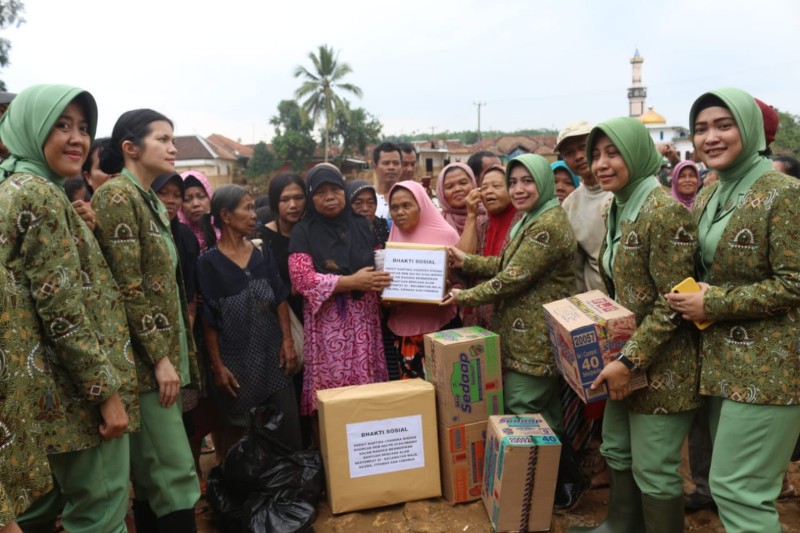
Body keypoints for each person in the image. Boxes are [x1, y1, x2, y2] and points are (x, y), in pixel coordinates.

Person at [0, 84, 135, 533]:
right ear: (30, 127)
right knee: (101, 513)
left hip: (38, 395)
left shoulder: (15, 186)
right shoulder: (40, 195)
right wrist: (107, 397)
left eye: (83, 127)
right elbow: (64, 312)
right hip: (75, 397)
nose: (77, 138)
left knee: (34, 510)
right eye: (61, 126)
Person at [665, 88, 800, 533]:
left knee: (741, 490)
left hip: (770, 369)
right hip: (721, 363)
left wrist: (714, 301)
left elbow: (794, 283)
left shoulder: (784, 193)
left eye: (724, 125)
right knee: (728, 487)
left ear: (751, 128)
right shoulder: (709, 193)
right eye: (701, 128)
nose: (711, 137)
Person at [570, 117, 701, 533]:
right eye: (596, 155)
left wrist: (630, 360)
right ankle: (620, 524)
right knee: (619, 449)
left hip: (662, 365)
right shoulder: (619, 205)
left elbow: (672, 304)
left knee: (656, 468)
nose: (601, 163)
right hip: (624, 359)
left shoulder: (662, 212)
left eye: (613, 153)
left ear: (638, 153)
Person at [444, 155, 585, 511]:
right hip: (526, 334)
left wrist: (466, 294)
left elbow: (513, 278)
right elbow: (508, 264)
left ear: (543, 181)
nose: (518, 189)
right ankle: (563, 479)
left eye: (527, 181)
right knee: (545, 410)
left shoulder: (547, 223)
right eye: (514, 182)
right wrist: (468, 261)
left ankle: (548, 484)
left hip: (533, 339)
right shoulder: (532, 217)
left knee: (524, 407)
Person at [93, 108, 200, 531]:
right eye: (162, 139)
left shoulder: (149, 198)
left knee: (161, 477)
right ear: (130, 147)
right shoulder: (118, 195)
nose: (173, 148)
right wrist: (158, 359)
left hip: (160, 358)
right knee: (172, 475)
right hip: (142, 367)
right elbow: (126, 286)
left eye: (173, 139)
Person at [196, 185, 302, 456]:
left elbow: (279, 298)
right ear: (226, 216)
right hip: (237, 362)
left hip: (273, 356)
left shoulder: (261, 252)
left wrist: (288, 341)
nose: (254, 215)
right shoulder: (207, 263)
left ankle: (286, 490)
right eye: (247, 208)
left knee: (285, 427)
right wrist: (218, 366)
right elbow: (209, 320)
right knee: (241, 435)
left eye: (254, 207)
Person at [288, 163, 391, 428]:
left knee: (366, 391)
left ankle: (368, 446)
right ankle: (333, 449)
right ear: (311, 197)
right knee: (335, 395)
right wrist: (350, 281)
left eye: (335, 189)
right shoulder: (304, 230)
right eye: (321, 192)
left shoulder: (362, 225)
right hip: (329, 327)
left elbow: (381, 263)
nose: (330, 196)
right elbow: (301, 279)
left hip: (365, 322)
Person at [256, 172, 311, 446]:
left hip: (315, 318)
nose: (293, 205)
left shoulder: (314, 230)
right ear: (274, 203)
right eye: (285, 199)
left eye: (299, 197)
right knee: (291, 391)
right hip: (281, 324)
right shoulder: (261, 239)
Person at [387, 180, 461, 379]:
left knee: (447, 389)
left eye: (406, 205)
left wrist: (448, 287)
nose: (400, 212)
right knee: (415, 395)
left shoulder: (447, 235)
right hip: (405, 333)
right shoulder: (391, 238)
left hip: (441, 328)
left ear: (422, 205)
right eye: (394, 207)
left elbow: (463, 280)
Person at [461, 164, 522, 328]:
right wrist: (471, 215)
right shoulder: (481, 223)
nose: (488, 192)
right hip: (479, 312)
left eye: (496, 186)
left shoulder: (524, 222)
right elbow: (463, 260)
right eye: (484, 187)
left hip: (511, 312)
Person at [557, 120, 613, 293]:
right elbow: (576, 265)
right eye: (569, 152)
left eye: (583, 147)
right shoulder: (570, 205)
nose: (579, 156)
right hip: (596, 302)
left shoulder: (620, 193)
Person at [436, 162, 485, 236]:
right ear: (441, 193)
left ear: (473, 183)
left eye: (463, 183)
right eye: (449, 187)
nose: (457, 189)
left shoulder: (488, 216)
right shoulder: (438, 223)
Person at [179, 170, 218, 252]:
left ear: (210, 198)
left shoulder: (225, 232)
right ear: (180, 206)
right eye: (187, 199)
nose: (195, 204)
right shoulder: (177, 238)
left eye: (201, 196)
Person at [347, 179, 390, 246]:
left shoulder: (386, 228)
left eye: (370, 203)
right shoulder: (341, 233)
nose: (365, 208)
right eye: (358, 203)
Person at [372, 142, 402, 219]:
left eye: (396, 163)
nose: (391, 167)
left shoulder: (409, 196)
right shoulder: (368, 198)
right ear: (375, 167)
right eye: (386, 163)